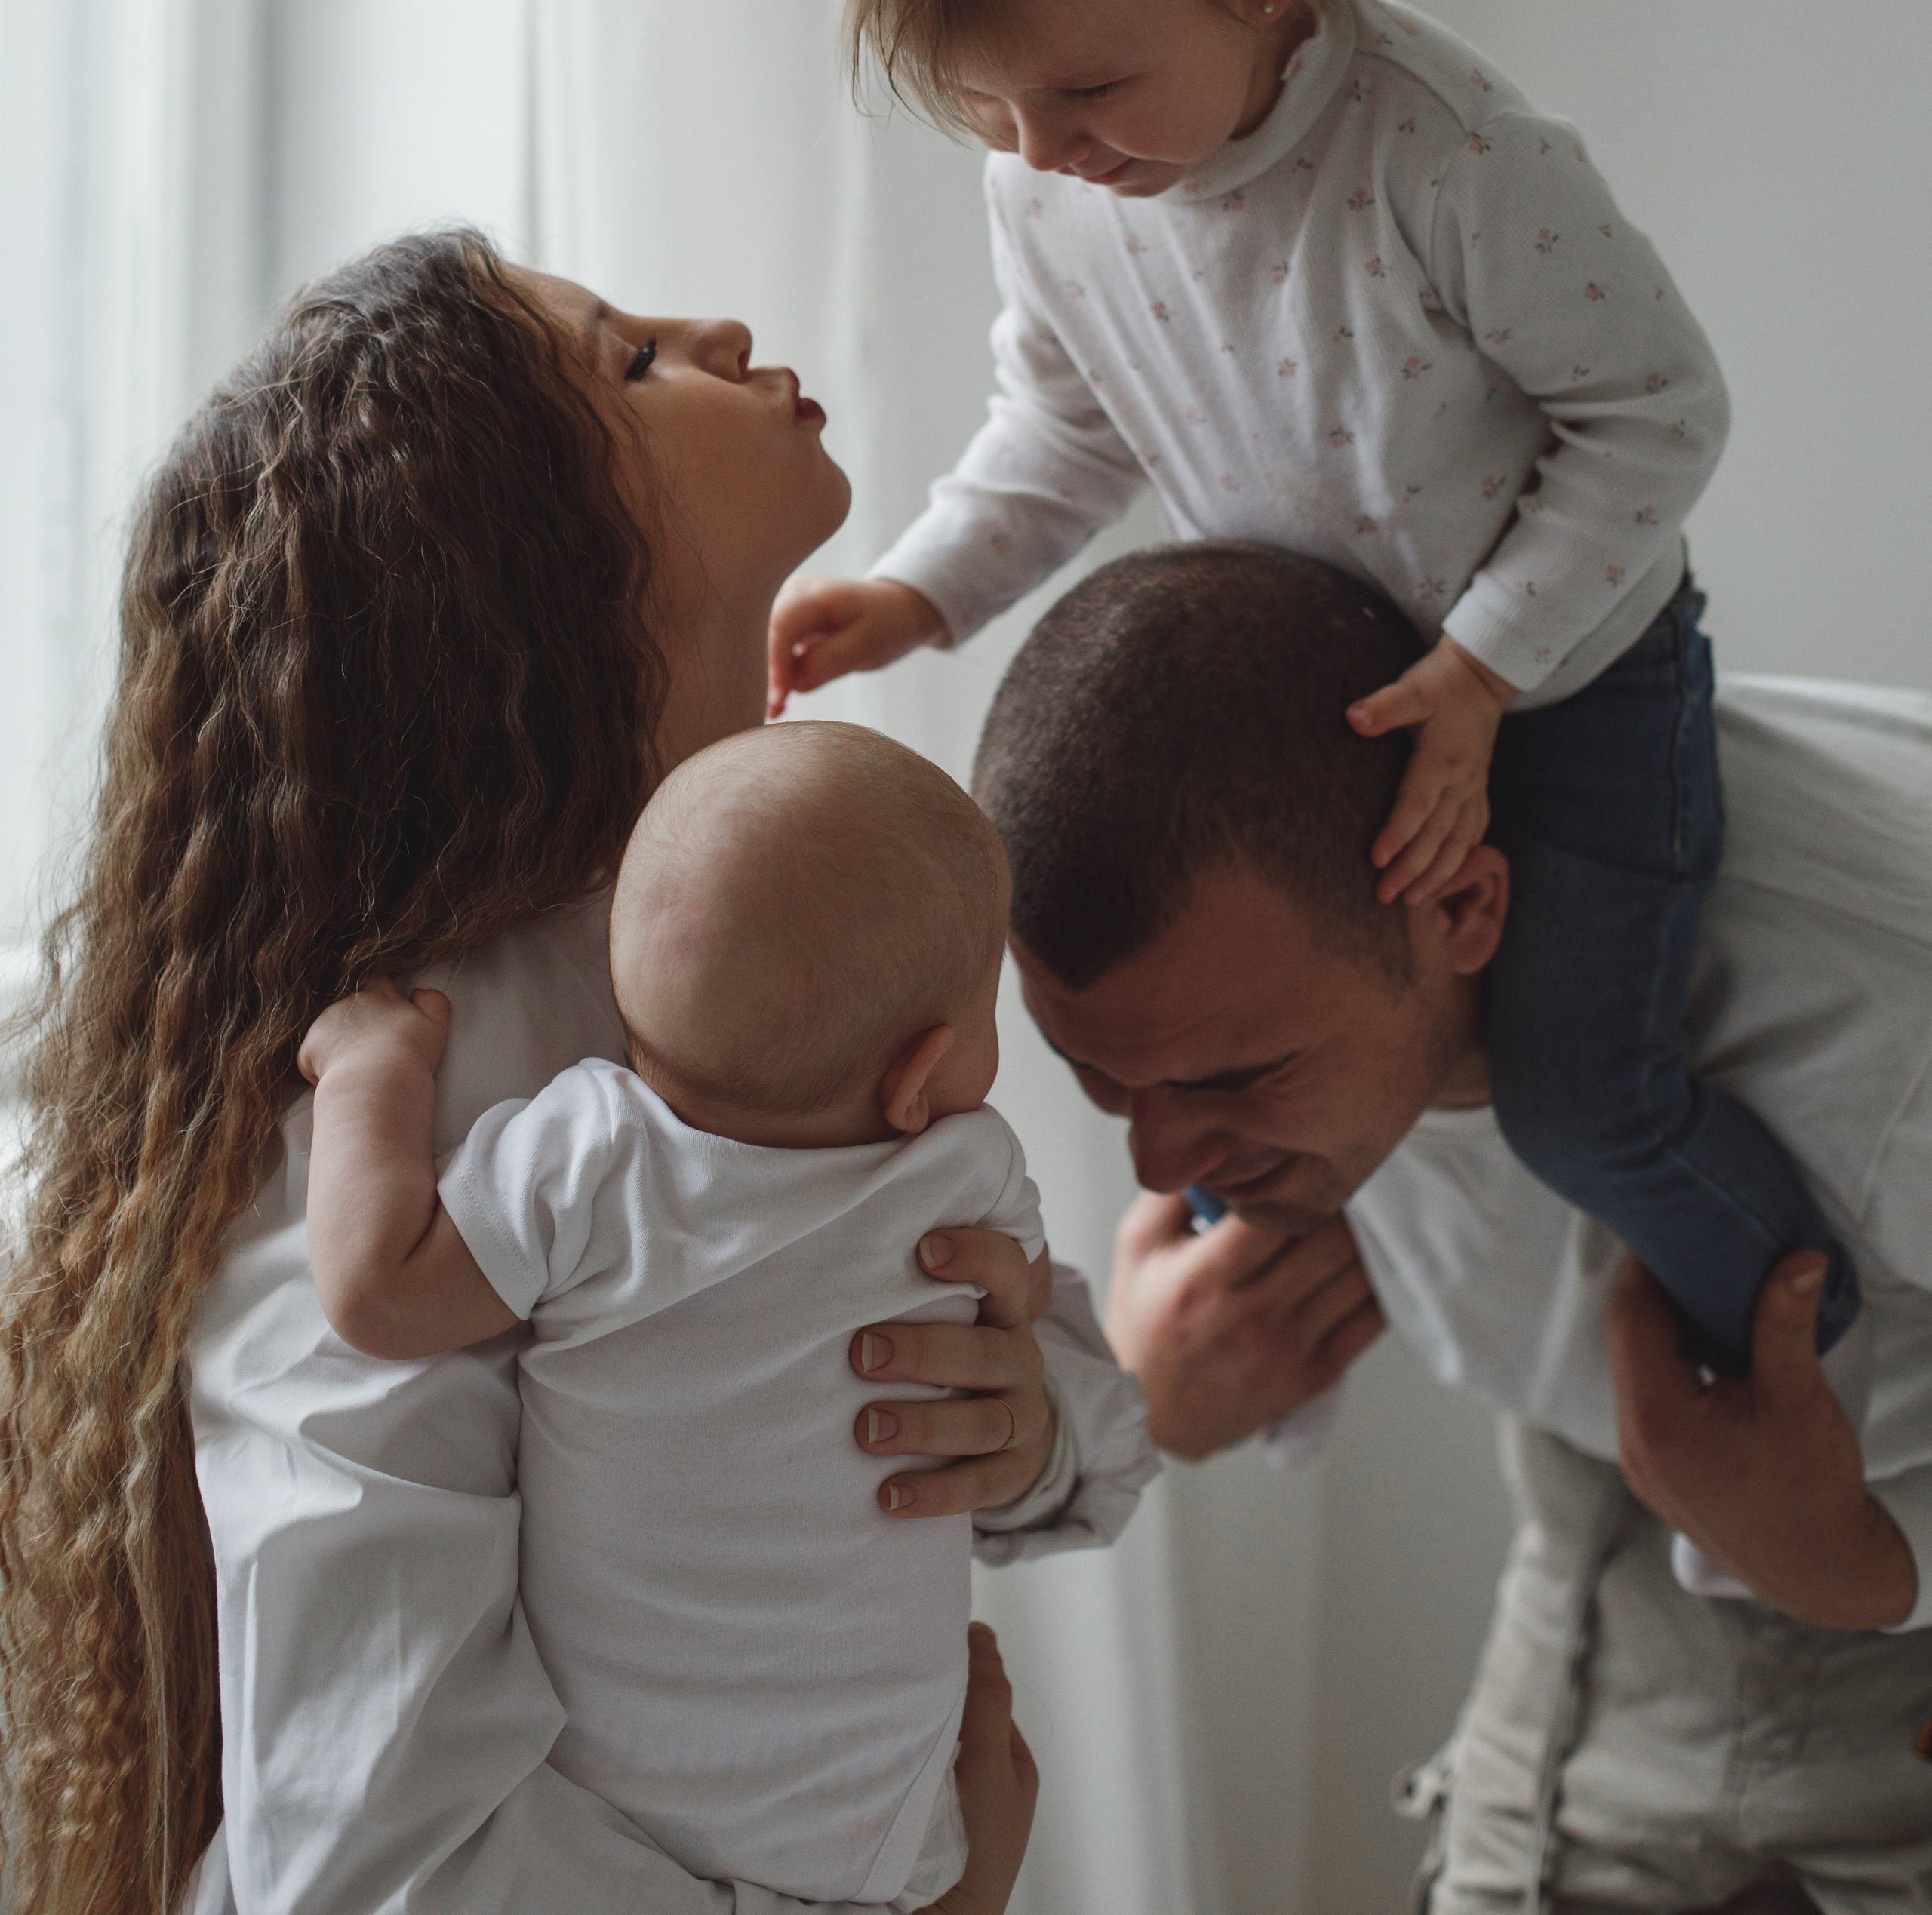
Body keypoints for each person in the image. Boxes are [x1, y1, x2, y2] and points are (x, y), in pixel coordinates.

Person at [0, 230, 1154, 1915]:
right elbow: (376, 1854)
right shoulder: (407, 1095)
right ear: (512, 569)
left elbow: (938, 1384)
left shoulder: (791, 946)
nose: (723, 324)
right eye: (631, 362)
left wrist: (1030, 1426)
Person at [764, 0, 1856, 1379]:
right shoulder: (1057, 177)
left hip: (1566, 683)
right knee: (1245, 1098)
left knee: (1581, 1108)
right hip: (1320, 708)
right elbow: (1064, 423)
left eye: (1083, 91)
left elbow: (1659, 414)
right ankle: (1221, 1394)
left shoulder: (1444, 154)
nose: (1038, 153)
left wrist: (1487, 666)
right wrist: (918, 590)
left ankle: (1804, 1353)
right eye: (979, 107)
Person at [974, 539, 1932, 1909]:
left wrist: (1867, 1563)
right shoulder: (1302, 1009)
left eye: (1233, 1080)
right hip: (1588, 1555)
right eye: (1100, 1077)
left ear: (1466, 905)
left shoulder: (1884, 1019)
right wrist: (1149, 1406)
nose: (1162, 1158)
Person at [300, 721, 1043, 1910]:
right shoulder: (964, 1171)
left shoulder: (595, 1159)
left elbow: (377, 1293)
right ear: (919, 1075)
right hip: (885, 1820)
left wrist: (371, 1073)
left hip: (615, 1801)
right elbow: (1022, 1310)